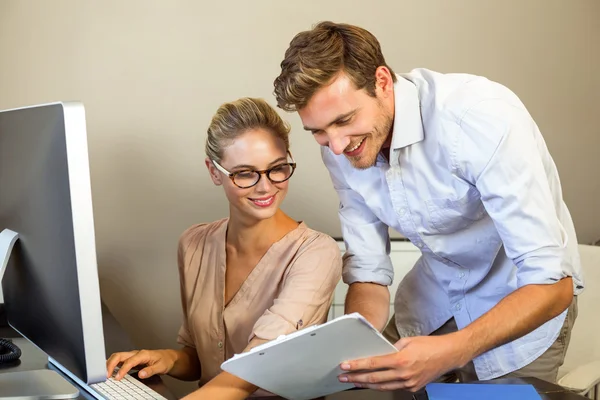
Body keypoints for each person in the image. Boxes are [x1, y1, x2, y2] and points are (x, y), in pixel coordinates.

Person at [273, 21, 583, 392]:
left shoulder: (479, 117)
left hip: (522, 304)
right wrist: (353, 354)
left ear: (382, 82)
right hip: (435, 298)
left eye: (344, 120)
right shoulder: (341, 147)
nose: (336, 146)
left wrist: (450, 352)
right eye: (319, 132)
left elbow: (552, 284)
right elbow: (369, 271)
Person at [105, 97, 342, 399]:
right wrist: (168, 358)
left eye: (277, 168)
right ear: (214, 172)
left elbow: (252, 372)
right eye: (244, 173)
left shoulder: (316, 254)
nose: (265, 186)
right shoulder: (194, 244)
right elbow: (202, 357)